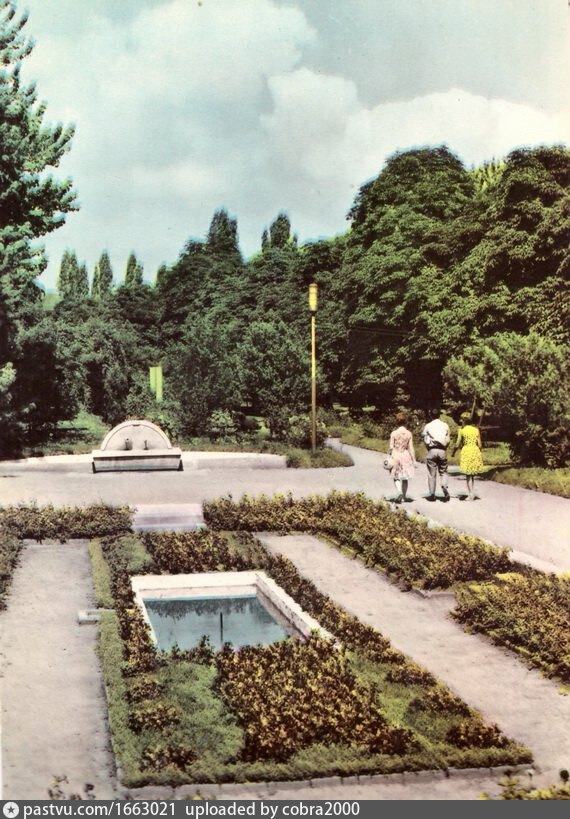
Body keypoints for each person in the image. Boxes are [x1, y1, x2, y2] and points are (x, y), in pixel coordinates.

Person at [452, 411, 484, 500]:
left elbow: (457, 444)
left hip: (467, 451)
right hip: (475, 450)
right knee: (472, 474)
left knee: (468, 474)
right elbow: (480, 444)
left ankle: (470, 494)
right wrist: (479, 453)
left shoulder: (462, 430)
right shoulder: (476, 430)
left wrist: (453, 453)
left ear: (463, 421)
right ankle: (471, 492)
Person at [421, 408, 450, 501]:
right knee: (443, 471)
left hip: (432, 450)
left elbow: (425, 439)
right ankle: (444, 486)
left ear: (431, 415)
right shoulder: (445, 425)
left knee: (432, 474)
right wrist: (445, 447)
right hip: (442, 450)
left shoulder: (428, 426)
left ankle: (432, 494)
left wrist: (428, 448)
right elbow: (448, 440)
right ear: (439, 415)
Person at [388, 413, 417, 503]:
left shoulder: (394, 433)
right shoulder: (409, 433)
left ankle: (399, 491)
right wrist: (414, 460)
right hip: (405, 455)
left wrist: (389, 456)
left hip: (396, 454)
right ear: (405, 422)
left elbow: (391, 447)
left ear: (397, 421)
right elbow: (411, 448)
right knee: (405, 477)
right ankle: (404, 497)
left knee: (395, 475)